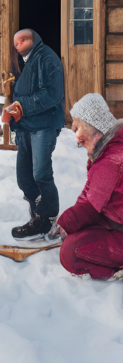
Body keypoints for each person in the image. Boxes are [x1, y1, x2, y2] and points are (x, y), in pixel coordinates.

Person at [2, 29, 65, 239]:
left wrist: (21, 106)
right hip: (27, 128)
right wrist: (13, 113)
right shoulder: (27, 62)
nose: (18, 44)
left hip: (44, 126)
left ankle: (47, 219)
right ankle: (39, 215)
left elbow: (53, 94)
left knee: (41, 174)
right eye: (16, 42)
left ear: (35, 39)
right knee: (24, 179)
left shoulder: (47, 57)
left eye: (23, 39)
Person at [55, 94, 123, 280]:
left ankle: (114, 271)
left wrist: (65, 223)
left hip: (118, 227)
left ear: (94, 128)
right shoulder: (106, 150)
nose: (75, 135)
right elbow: (88, 193)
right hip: (113, 221)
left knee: (70, 253)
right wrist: (69, 221)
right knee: (77, 235)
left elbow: (92, 207)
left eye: (77, 126)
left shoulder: (111, 159)